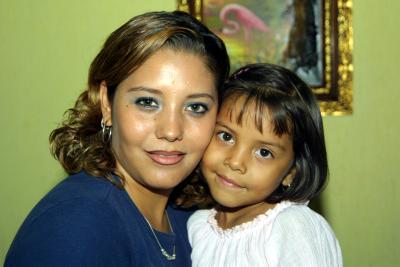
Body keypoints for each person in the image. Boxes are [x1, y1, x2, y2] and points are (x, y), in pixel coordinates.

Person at [5, 11, 229, 266]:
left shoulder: (194, 220)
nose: (171, 130)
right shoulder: (77, 224)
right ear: (107, 104)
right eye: (147, 102)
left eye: (196, 107)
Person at [187, 63, 343, 266]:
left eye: (264, 152)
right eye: (226, 136)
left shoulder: (291, 227)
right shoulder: (197, 226)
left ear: (292, 172)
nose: (235, 162)